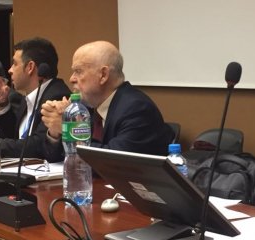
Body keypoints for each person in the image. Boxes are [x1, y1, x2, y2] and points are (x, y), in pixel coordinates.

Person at [41, 40, 173, 156]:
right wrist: (55, 131)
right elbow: (54, 157)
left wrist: (69, 130)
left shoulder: (136, 109)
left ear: (103, 75)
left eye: (78, 71)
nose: (71, 79)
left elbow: (114, 161)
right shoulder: (86, 106)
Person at [0, 37, 70, 158]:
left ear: (30, 67)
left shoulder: (58, 97)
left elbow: (38, 144)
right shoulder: (28, 99)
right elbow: (14, 138)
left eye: (15, 64)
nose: (10, 70)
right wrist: (2, 104)